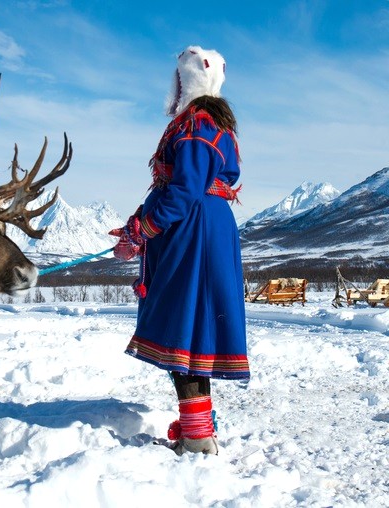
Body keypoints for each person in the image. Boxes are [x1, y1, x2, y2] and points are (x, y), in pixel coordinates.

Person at [111, 46, 249, 455]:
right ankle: (199, 429)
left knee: (183, 329)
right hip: (204, 228)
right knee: (193, 331)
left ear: (184, 83)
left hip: (192, 233)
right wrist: (139, 221)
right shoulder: (214, 127)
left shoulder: (194, 127)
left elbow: (183, 191)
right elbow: (177, 190)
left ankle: (198, 438)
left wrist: (141, 231)